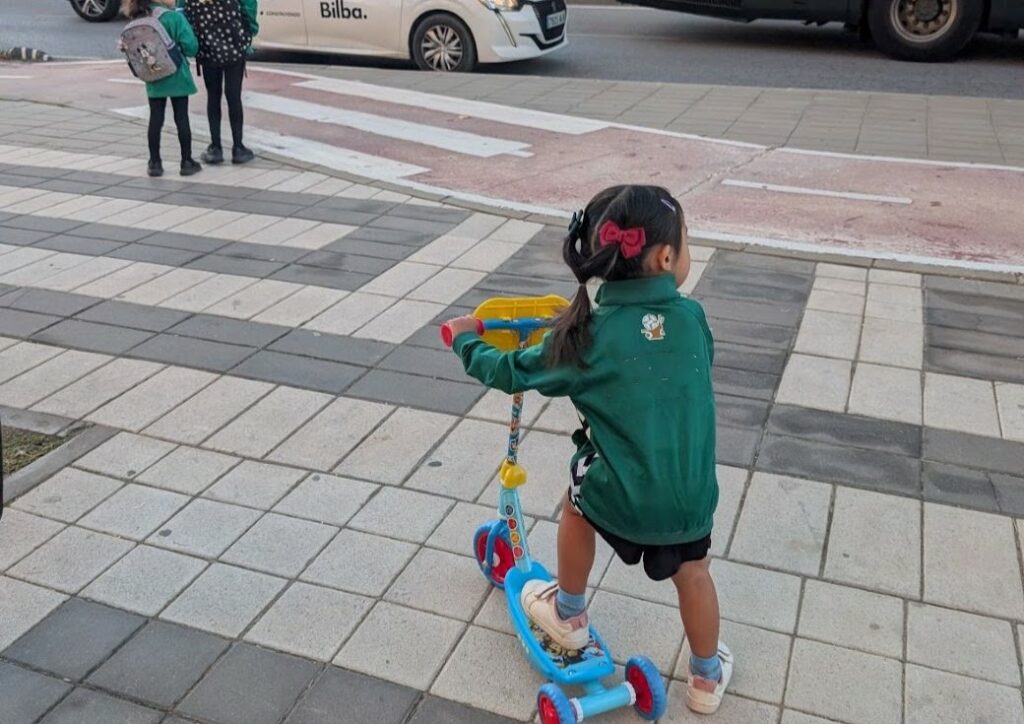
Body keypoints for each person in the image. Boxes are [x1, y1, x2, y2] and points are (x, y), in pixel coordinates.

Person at [443, 185, 733, 715]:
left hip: (618, 499)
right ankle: (707, 678)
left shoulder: (586, 336)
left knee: (576, 500)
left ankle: (568, 614)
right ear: (667, 258)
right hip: (691, 502)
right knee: (696, 573)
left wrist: (466, 338)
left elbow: (511, 369)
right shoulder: (693, 320)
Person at [122, 0, 202, 177]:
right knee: (181, 117)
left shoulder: (137, 18)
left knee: (155, 118)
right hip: (177, 74)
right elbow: (191, 48)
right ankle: (186, 161)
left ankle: (155, 163)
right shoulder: (173, 18)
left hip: (153, 76)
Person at [182, 0, 259, 165]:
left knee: (213, 96)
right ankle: (238, 147)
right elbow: (249, 6)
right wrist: (250, 30)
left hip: (207, 49)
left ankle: (215, 147)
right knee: (234, 96)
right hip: (234, 47)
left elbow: (182, 11)